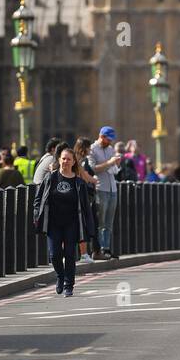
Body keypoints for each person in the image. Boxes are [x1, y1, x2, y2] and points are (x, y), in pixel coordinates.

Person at [33, 146, 95, 298]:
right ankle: (60, 275)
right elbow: (38, 198)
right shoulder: (51, 178)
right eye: (63, 158)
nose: (65, 161)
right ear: (59, 160)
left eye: (69, 159)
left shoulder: (79, 182)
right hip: (53, 223)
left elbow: (86, 207)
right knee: (54, 254)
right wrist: (36, 213)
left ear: (73, 162)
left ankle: (69, 285)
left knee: (69, 253)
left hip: (72, 223)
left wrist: (90, 226)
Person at [89, 127, 122, 258]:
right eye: (108, 139)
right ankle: (98, 249)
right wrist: (109, 163)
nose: (110, 142)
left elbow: (113, 169)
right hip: (100, 188)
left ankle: (106, 248)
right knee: (100, 221)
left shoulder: (110, 149)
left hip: (112, 188)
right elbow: (92, 169)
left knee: (109, 222)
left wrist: (116, 164)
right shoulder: (92, 150)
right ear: (101, 136)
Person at [74, 137, 101, 262]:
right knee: (81, 224)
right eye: (89, 147)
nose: (90, 149)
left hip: (80, 194)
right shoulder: (78, 159)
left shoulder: (77, 158)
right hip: (80, 196)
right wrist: (94, 180)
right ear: (84, 148)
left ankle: (78, 254)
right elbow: (84, 176)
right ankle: (83, 254)